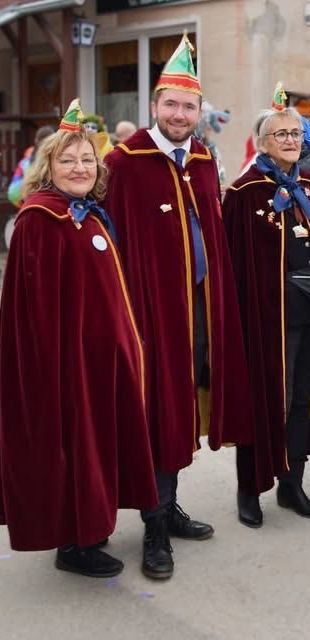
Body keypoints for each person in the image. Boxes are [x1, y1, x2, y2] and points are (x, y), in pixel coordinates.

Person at [103, 34, 251, 580]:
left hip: (200, 310)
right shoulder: (124, 162)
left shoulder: (206, 161)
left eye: (189, 106)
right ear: (153, 107)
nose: (180, 114)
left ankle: (167, 504)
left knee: (184, 406)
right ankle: (154, 528)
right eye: (171, 104)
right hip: (149, 316)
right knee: (156, 413)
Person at [0, 100, 157, 578]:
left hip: (100, 360)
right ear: (47, 166)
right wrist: (58, 369)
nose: (79, 167)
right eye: (67, 160)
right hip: (68, 365)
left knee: (99, 445)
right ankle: (73, 543)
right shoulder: (40, 220)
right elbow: (36, 310)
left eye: (87, 159)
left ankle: (93, 525)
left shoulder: (86, 214)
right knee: (74, 445)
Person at [223, 96, 310, 528]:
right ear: (262, 143)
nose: (290, 139)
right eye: (280, 133)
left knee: (301, 400)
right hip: (268, 318)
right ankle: (251, 489)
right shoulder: (244, 193)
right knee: (266, 403)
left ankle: (292, 484)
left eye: (295, 133)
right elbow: (234, 263)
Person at [6, 125, 55, 208]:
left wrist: (23, 205)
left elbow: (12, 192)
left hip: (29, 203)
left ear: (36, 140)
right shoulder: (54, 160)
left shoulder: (25, 161)